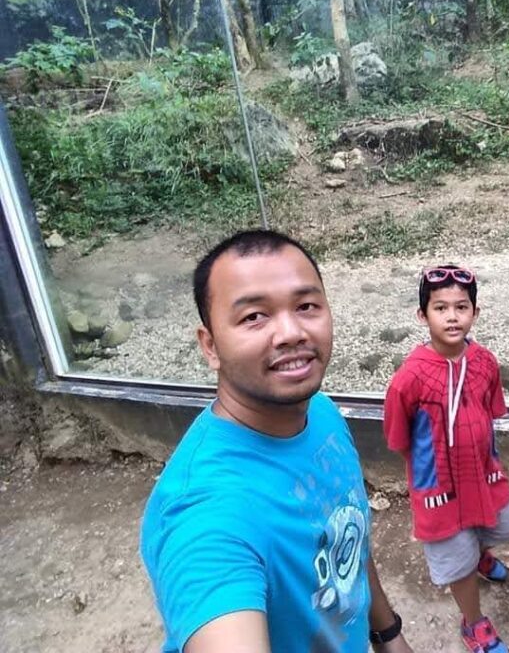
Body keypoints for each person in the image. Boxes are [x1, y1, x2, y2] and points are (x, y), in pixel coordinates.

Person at [140, 230, 412, 653]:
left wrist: (388, 634)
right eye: (254, 316)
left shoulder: (319, 412)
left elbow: (346, 534)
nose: (290, 332)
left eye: (306, 306)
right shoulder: (205, 518)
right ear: (210, 346)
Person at [383, 265, 509, 653]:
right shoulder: (408, 379)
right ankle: (473, 623)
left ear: (475, 313)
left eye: (461, 307)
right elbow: (397, 438)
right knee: (454, 560)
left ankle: (479, 555)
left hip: (482, 474)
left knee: (503, 527)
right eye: (440, 308)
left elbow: (490, 410)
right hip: (439, 487)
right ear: (422, 315)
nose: (452, 316)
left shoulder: (485, 362)